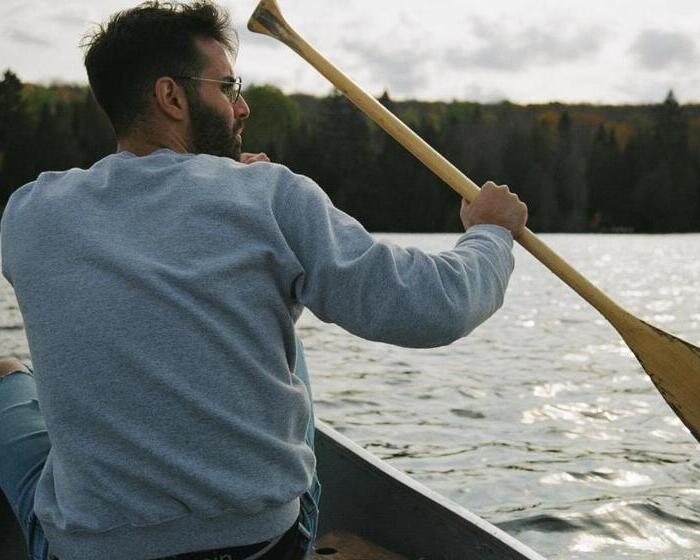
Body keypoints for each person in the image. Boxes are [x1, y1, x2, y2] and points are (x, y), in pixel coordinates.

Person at [0, 1, 527, 559]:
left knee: (7, 371)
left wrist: (225, 190)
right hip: (261, 545)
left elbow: (145, 228)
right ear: (171, 97)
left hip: (89, 551)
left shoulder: (29, 212)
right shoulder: (267, 195)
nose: (242, 106)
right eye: (227, 87)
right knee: (276, 305)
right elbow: (433, 307)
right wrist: (491, 233)